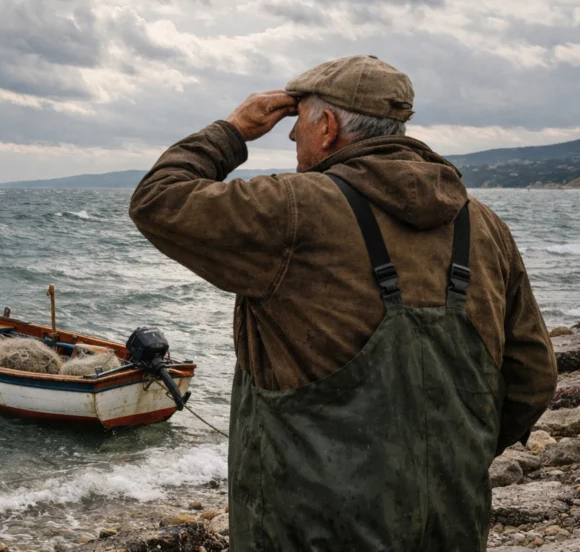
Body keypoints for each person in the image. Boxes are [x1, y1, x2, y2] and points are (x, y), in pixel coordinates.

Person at [130, 55, 556, 550]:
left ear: (328, 127)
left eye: (298, 124)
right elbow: (533, 376)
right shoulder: (481, 223)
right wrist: (450, 456)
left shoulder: (293, 209)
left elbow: (158, 200)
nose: (292, 139)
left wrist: (234, 130)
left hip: (309, 530)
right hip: (450, 521)